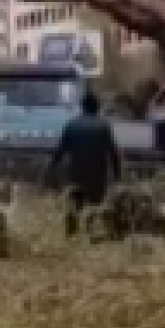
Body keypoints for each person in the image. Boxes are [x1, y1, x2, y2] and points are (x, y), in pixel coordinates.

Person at [46, 90, 122, 237]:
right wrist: (117, 175)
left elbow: (59, 153)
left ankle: (71, 236)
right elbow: (113, 153)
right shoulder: (103, 126)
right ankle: (90, 235)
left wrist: (50, 171)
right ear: (97, 107)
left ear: (82, 106)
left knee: (73, 208)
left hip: (75, 175)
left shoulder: (71, 125)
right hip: (97, 177)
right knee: (94, 209)